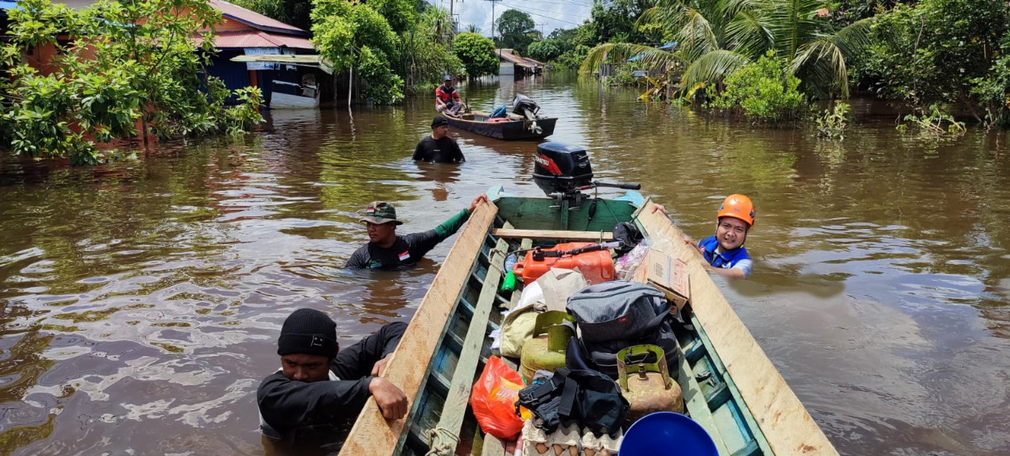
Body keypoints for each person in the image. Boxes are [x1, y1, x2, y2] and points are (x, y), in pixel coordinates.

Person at [257, 308, 408, 450]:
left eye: (312, 366)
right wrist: (370, 385)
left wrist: (390, 356)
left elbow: (395, 329)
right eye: (291, 363)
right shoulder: (272, 393)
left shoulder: (339, 370)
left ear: (333, 356)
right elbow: (313, 396)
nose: (299, 375)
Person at [345, 194, 489, 269]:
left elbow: (442, 231)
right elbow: (345, 281)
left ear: (392, 226)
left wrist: (468, 210)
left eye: (376, 224)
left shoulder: (411, 244)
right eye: (368, 224)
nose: (371, 229)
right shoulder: (361, 257)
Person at [652, 194, 755, 279]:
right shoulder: (707, 243)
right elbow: (685, 242)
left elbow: (738, 274)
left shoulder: (744, 261)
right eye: (726, 226)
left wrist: (704, 266)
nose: (731, 233)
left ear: (746, 232)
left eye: (739, 229)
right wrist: (666, 220)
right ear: (717, 225)